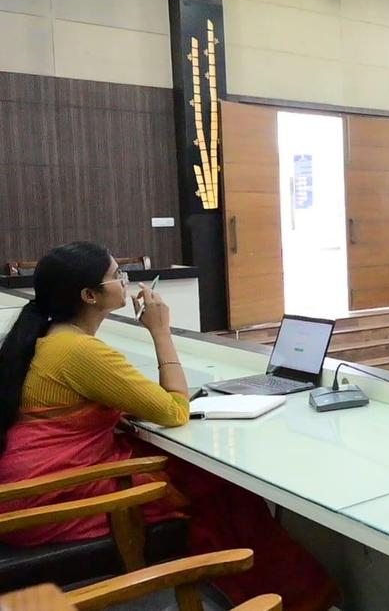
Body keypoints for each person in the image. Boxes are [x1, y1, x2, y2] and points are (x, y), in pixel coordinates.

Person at [0, 242, 337, 610]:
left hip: (28, 485)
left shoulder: (50, 338)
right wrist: (161, 331)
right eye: (116, 275)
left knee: (203, 479)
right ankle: (287, 594)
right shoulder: (79, 350)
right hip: (49, 497)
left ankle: (265, 589)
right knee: (220, 489)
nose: (125, 280)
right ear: (89, 295)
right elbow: (175, 410)